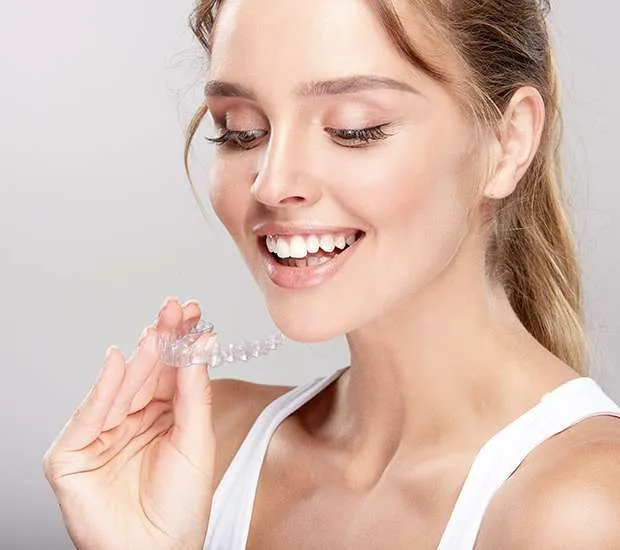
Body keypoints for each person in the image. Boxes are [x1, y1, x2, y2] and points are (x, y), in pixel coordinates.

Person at [43, 0, 620, 548]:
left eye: (354, 128)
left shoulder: (581, 507)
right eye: (240, 130)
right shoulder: (204, 453)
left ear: (508, 141)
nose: (270, 184)